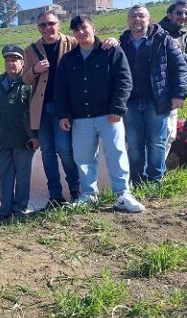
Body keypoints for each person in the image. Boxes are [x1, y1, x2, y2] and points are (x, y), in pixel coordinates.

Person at [55, 15, 144, 212]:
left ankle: (123, 195)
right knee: (83, 158)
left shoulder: (111, 50)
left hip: (109, 116)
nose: (80, 32)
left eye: (84, 27)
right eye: (76, 30)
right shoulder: (68, 59)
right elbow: (60, 89)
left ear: (93, 28)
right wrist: (63, 114)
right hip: (81, 119)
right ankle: (89, 195)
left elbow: (124, 80)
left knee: (116, 153)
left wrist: (117, 108)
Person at [119, 5, 187, 185]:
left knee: (157, 142)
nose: (137, 19)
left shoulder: (163, 39)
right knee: (134, 144)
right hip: (131, 103)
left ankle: (155, 180)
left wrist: (178, 94)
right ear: (128, 21)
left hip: (157, 101)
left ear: (149, 20)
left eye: (141, 16)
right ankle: (137, 181)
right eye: (133, 16)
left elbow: (180, 67)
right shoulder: (122, 43)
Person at [22, 10, 82, 206]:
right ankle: (55, 196)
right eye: (43, 25)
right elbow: (25, 79)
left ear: (59, 24)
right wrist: (34, 70)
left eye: (51, 23)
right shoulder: (31, 49)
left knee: (65, 150)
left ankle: (76, 191)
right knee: (47, 152)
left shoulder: (72, 43)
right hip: (41, 109)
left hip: (64, 108)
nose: (47, 28)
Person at [0, 46, 38, 221]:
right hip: (2, 140)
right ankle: (5, 210)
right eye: (7, 60)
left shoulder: (29, 82)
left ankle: (19, 209)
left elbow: (35, 111)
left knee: (23, 177)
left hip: (24, 139)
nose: (11, 63)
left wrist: (35, 136)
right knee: (6, 177)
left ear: (22, 62)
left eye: (15, 60)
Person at [159, 0, 187, 158]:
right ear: (169, 15)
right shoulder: (155, 32)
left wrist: (179, 51)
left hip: (172, 93)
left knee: (168, 133)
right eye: (178, 12)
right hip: (148, 91)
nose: (183, 16)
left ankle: (156, 174)